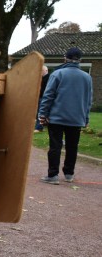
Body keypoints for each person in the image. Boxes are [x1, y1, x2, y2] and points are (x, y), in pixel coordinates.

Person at [38, 47, 92, 185]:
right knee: (72, 147)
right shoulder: (87, 77)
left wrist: (42, 114)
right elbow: (88, 100)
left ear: (65, 58)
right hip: (76, 118)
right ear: (80, 60)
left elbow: (48, 95)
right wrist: (86, 118)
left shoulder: (58, 74)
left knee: (55, 146)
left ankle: (53, 175)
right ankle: (69, 174)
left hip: (57, 117)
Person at [34, 65, 49, 133]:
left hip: (44, 98)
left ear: (46, 71)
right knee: (39, 113)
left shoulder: (49, 78)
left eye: (42, 71)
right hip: (40, 97)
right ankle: (39, 127)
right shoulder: (40, 78)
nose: (40, 72)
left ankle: (39, 127)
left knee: (41, 113)